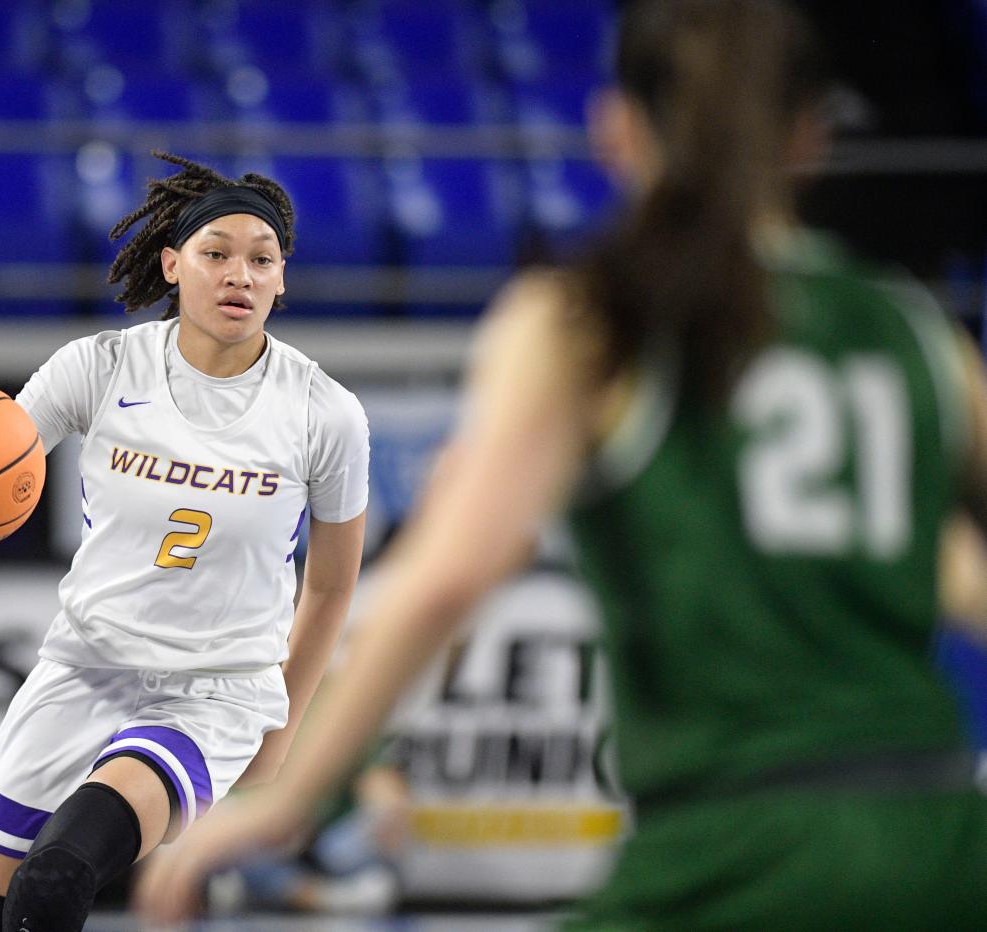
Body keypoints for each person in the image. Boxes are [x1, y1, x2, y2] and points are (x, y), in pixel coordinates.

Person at [133, 2, 987, 928]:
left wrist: (289, 800)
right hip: (942, 840)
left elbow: (448, 578)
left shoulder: (593, 314)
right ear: (812, 136)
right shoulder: (914, 328)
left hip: (732, 845)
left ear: (615, 131)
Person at [0, 152, 370, 932]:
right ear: (172, 264)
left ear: (283, 280)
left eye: (262, 259)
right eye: (217, 254)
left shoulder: (325, 413)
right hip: (83, 669)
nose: (241, 274)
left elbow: (330, 586)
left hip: (212, 693)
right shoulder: (97, 366)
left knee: (58, 877)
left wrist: (284, 727)